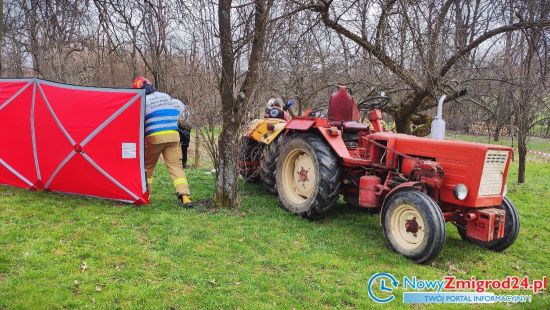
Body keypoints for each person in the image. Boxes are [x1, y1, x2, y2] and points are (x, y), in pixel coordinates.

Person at [132, 76, 192, 208]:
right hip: (173, 136)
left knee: (147, 168)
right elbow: (182, 112)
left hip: (154, 137)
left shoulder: (142, 100)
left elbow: (137, 122)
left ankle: (145, 195)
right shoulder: (165, 96)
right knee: (176, 167)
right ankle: (185, 197)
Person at [173, 98, 192, 169]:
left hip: (177, 126)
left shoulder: (174, 103)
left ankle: (180, 163)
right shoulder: (183, 106)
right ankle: (183, 163)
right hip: (184, 126)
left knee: (176, 145)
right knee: (183, 146)